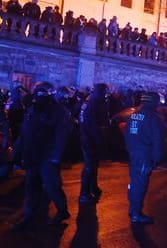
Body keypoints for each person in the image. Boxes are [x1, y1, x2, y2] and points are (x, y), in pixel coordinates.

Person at [11, 82, 71, 230]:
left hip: (48, 155)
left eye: (42, 93)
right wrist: (16, 150)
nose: (39, 96)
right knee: (32, 185)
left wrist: (55, 156)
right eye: (38, 93)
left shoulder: (58, 111)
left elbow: (61, 134)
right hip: (32, 153)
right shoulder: (33, 109)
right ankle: (30, 214)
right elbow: (25, 131)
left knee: (52, 186)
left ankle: (62, 210)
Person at [124, 92, 164, 224]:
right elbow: (158, 140)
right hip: (145, 155)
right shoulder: (153, 118)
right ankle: (136, 213)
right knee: (140, 184)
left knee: (134, 182)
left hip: (134, 154)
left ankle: (132, 208)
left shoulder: (133, 115)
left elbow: (127, 135)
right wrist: (157, 158)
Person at [78, 83, 109, 203]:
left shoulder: (90, 102)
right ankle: (84, 193)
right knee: (89, 166)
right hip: (90, 139)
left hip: (88, 137)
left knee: (93, 165)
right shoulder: (93, 104)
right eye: (104, 92)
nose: (106, 95)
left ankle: (93, 187)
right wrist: (99, 141)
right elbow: (93, 126)